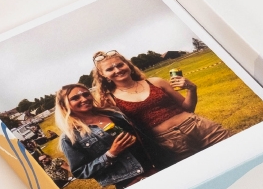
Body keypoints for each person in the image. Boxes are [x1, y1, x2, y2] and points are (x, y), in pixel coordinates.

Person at [91, 50, 230, 160]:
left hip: (200, 127)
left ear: (128, 65)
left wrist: (192, 89)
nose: (117, 70)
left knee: (233, 152)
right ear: (102, 75)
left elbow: (188, 108)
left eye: (120, 65)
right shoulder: (109, 100)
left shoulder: (156, 82)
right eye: (110, 69)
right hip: (170, 142)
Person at [54, 83, 160, 189]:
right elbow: (80, 171)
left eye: (86, 94)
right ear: (64, 105)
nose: (84, 99)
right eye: (75, 98)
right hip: (131, 183)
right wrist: (111, 153)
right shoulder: (70, 137)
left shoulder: (113, 113)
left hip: (154, 168)